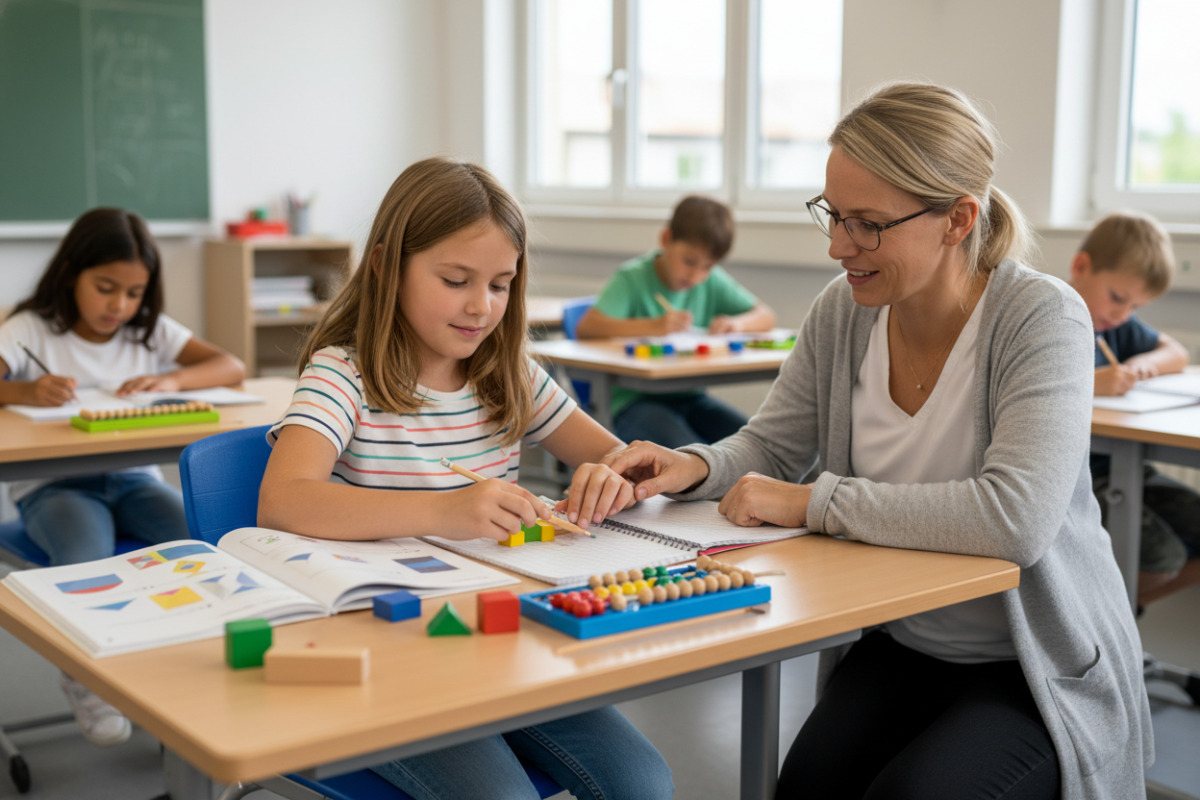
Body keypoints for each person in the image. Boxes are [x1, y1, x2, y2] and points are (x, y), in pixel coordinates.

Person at [567, 83, 1153, 800]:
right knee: (806, 788)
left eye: (868, 224)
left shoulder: (1040, 317)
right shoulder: (843, 312)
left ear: (957, 219)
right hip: (903, 645)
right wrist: (690, 465)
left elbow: (1016, 520)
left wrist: (816, 502)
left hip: (1031, 667)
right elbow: (772, 448)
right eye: (834, 215)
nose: (839, 246)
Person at [257, 157, 672, 800]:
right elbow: (284, 500)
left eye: (501, 284)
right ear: (385, 269)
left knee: (644, 782)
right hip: (393, 660)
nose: (482, 307)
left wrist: (614, 476)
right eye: (456, 280)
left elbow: (629, 462)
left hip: (505, 644)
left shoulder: (508, 373)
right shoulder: (343, 374)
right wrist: (447, 509)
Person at [0, 207, 246, 746]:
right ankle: (88, 682)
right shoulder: (28, 328)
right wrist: (23, 391)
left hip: (133, 482)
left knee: (208, 545)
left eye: (134, 293)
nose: (120, 305)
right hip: (56, 488)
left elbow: (230, 366)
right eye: (106, 287)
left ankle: (187, 676)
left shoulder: (148, 332)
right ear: (70, 273)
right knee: (87, 557)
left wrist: (171, 378)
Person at [1070, 211, 1198, 608]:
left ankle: (1116, 615)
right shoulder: (1054, 317)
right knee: (1164, 557)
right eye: (1118, 298)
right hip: (1082, 478)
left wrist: (1143, 366)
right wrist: (1093, 384)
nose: (1123, 314)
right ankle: (1096, 617)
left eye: (1136, 306)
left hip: (1131, 467)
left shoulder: (1116, 326)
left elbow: (1176, 353)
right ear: (1081, 267)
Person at [575, 194, 776, 448]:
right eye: (689, 261)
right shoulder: (632, 278)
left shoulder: (711, 281)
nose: (696, 275)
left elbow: (765, 315)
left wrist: (737, 325)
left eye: (707, 266)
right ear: (666, 239)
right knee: (692, 458)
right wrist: (654, 327)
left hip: (690, 398)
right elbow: (587, 328)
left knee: (755, 446)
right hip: (633, 402)